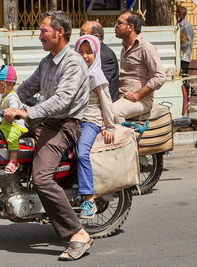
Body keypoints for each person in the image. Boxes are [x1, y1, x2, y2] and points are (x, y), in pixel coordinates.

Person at [3, 11, 93, 261]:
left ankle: (78, 233)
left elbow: (62, 100)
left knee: (42, 178)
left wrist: (26, 111)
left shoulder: (73, 62)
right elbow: (24, 88)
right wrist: (0, 102)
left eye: (43, 30)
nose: (39, 35)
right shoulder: (47, 62)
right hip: (43, 120)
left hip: (64, 125)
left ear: (59, 33)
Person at [74, 34, 115, 219]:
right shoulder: (73, 73)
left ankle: (88, 199)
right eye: (80, 52)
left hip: (90, 120)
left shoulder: (96, 75)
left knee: (82, 152)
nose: (84, 56)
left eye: (89, 52)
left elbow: (106, 102)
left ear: (96, 54)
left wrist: (110, 127)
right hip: (73, 120)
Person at [112, 11, 166, 123]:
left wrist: (138, 94)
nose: (115, 26)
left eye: (119, 23)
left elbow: (160, 77)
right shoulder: (124, 49)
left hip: (142, 100)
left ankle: (127, 140)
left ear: (130, 27)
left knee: (112, 112)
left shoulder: (146, 48)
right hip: (124, 97)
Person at [80, 21, 120, 102]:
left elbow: (96, 84)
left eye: (83, 35)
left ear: (96, 37)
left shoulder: (106, 56)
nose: (80, 38)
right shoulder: (85, 52)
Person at [176, 6, 194, 78]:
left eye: (179, 12)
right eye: (176, 12)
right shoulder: (178, 25)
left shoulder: (187, 26)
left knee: (183, 76)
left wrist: (179, 46)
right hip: (178, 56)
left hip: (184, 56)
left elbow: (187, 41)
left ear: (184, 14)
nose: (177, 14)